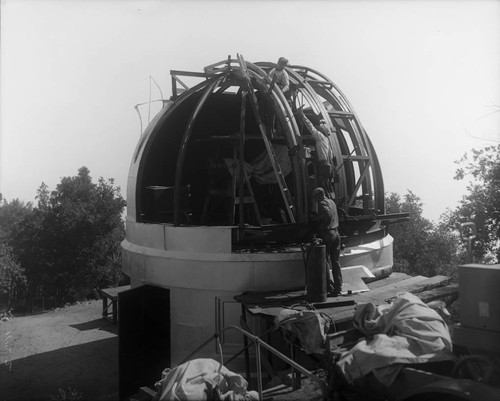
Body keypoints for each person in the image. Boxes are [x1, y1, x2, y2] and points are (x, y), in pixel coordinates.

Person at [310, 187, 342, 296]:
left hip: (328, 234)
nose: (315, 200)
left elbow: (327, 215)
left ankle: (328, 286)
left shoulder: (322, 203)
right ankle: (338, 287)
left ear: (319, 195)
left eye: (315, 197)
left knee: (324, 260)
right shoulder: (331, 202)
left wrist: (316, 218)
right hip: (336, 233)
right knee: (336, 261)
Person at [297, 109, 334, 194]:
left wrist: (302, 116)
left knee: (321, 187)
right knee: (326, 187)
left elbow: (311, 128)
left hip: (323, 166)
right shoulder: (327, 141)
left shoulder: (320, 137)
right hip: (329, 167)